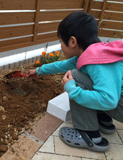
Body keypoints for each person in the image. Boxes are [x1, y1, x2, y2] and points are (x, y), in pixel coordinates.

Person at [26, 11, 123, 152]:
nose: (60, 46)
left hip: (118, 105)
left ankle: (90, 135)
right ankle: (103, 119)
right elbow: (61, 65)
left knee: (75, 77)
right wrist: (39, 71)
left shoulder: (96, 63)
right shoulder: (94, 53)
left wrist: (73, 90)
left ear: (72, 41)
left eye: (60, 41)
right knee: (84, 77)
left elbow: (109, 100)